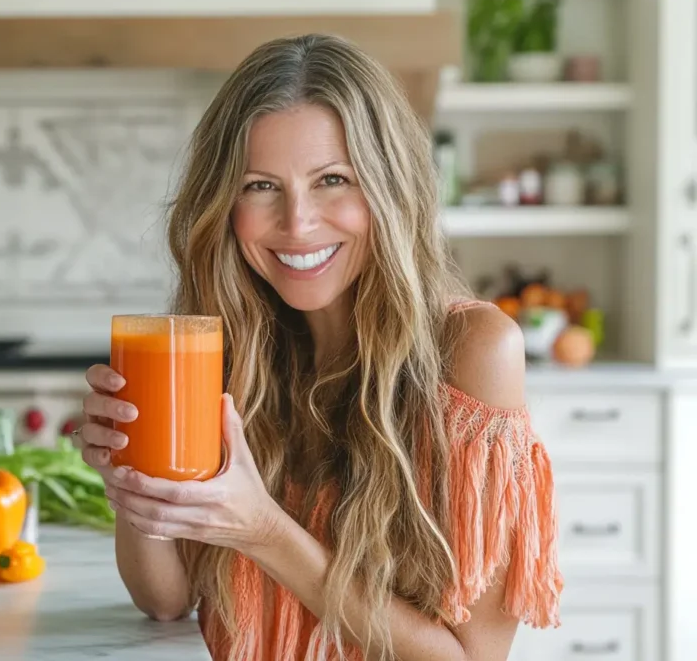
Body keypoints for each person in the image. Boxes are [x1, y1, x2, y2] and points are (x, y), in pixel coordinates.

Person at [73, 33, 562, 661]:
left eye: (333, 179)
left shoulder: (472, 350)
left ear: (390, 188)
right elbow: (165, 598)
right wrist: (132, 481)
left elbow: (470, 658)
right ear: (224, 204)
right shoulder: (223, 349)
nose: (297, 222)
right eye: (259, 185)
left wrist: (264, 531)